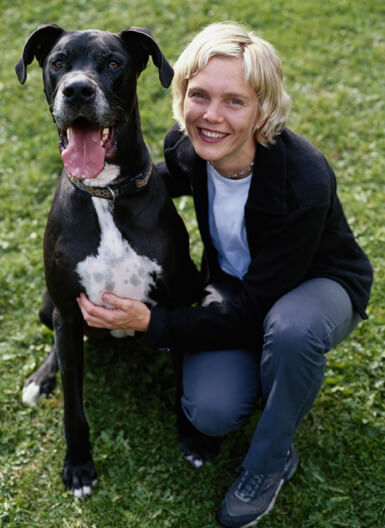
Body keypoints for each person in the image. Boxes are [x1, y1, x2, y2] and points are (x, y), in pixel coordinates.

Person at [77, 22, 373, 528]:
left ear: (264, 109)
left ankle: (269, 461)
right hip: (237, 286)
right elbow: (161, 182)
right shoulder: (189, 146)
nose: (211, 117)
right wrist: (105, 192)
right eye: (200, 96)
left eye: (234, 101)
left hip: (319, 286)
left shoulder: (302, 179)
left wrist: (156, 323)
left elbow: (254, 311)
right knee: (210, 411)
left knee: (291, 329)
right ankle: (275, 375)